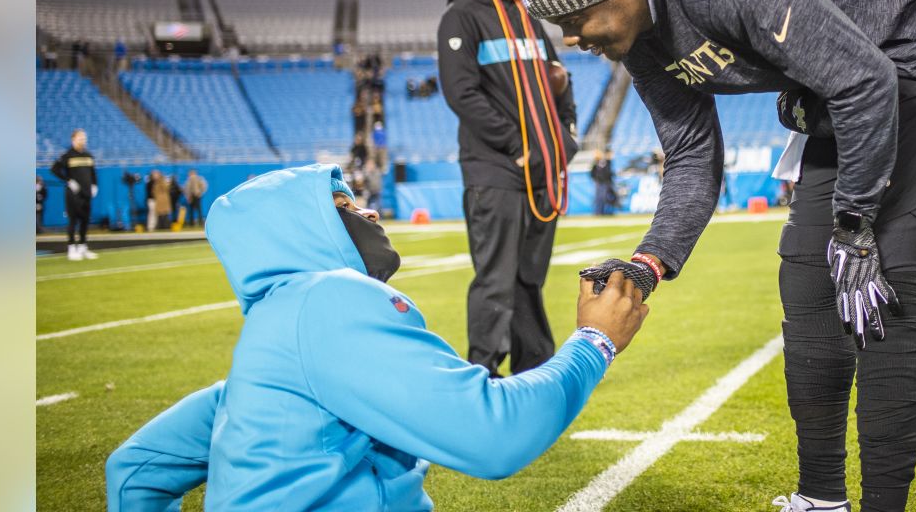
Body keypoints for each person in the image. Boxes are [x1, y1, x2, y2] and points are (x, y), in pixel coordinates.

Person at [511, 0, 916, 512]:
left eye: (572, 20)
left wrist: (855, 225)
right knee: (807, 278)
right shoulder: (641, 36)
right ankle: (822, 497)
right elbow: (690, 154)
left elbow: (866, 81)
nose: (571, 40)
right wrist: (649, 262)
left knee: (881, 283)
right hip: (851, 83)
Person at [105, 164, 648, 511]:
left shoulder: (279, 334)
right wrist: (594, 342)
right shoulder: (326, 300)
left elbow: (135, 471)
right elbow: (493, 434)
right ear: (300, 230)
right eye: (342, 206)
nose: (367, 211)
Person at [437, 0, 580, 377]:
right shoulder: (461, 16)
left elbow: (560, 79)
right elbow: (462, 94)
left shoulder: (528, 16)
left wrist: (567, 134)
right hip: (495, 169)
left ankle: (534, 371)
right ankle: (482, 373)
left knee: (528, 280)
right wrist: (516, 145)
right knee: (496, 280)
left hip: (541, 169)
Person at [50, 129, 99, 260]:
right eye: (80, 138)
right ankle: (71, 248)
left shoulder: (89, 155)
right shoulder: (67, 155)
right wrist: (68, 181)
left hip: (86, 193)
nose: (83, 141)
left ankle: (83, 247)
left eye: (84, 138)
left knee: (85, 221)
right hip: (73, 194)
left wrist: (95, 185)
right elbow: (54, 169)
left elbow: (93, 172)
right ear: (73, 139)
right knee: (73, 220)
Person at [590, 149, 616, 216]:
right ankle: (599, 212)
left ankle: (606, 212)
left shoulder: (606, 163)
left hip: (607, 183)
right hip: (601, 183)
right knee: (600, 198)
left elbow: (608, 172)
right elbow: (592, 173)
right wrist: (596, 179)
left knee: (607, 198)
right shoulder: (597, 163)